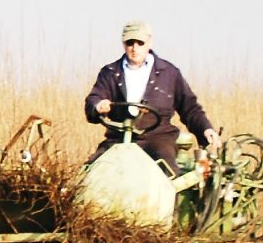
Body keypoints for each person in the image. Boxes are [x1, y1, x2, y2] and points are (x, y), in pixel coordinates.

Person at [86, 21, 218, 173]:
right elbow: (93, 99)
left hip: (158, 139)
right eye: (130, 43)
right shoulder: (110, 72)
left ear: (149, 42)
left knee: (168, 174)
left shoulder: (169, 73)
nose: (134, 48)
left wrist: (206, 130)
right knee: (91, 172)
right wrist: (98, 106)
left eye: (140, 43)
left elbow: (190, 108)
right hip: (118, 139)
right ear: (123, 43)